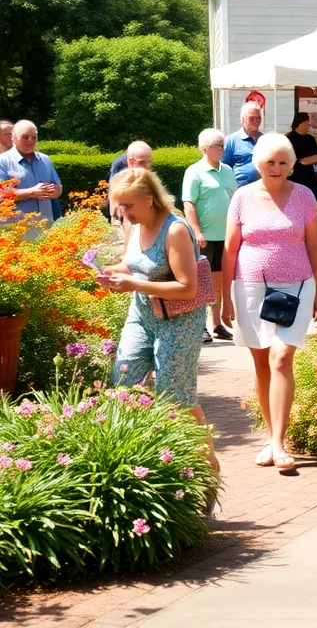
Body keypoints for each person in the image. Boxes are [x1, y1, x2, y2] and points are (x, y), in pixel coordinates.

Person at [100, 168, 218, 472]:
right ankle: (143, 458)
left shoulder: (175, 229)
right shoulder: (134, 224)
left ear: (150, 199)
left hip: (179, 321)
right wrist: (110, 272)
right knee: (123, 382)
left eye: (128, 205)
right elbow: (131, 264)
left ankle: (207, 465)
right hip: (141, 316)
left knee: (176, 396)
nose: (123, 212)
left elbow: (187, 286)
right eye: (119, 206)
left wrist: (135, 284)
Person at [221, 133, 317, 472]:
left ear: (292, 165)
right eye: (270, 162)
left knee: (282, 358)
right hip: (250, 288)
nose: (276, 168)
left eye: (283, 162)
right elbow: (230, 250)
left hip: (296, 286)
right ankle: (270, 438)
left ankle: (279, 444)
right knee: (263, 363)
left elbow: (314, 246)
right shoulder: (242, 197)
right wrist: (226, 298)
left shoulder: (305, 196)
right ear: (259, 164)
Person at [183, 129, 238, 344]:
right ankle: (200, 327)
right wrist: (196, 231)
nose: (222, 149)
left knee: (220, 281)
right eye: (218, 146)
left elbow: (236, 198)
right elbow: (188, 204)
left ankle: (217, 325)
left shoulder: (228, 170)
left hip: (227, 236)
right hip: (205, 237)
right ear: (205, 149)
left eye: (223, 145)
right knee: (202, 283)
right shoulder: (194, 172)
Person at [0, 120, 62, 233]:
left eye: (34, 137)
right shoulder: (3, 161)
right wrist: (32, 192)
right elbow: (1, 194)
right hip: (16, 231)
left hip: (47, 229)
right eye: (25, 137)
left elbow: (58, 187)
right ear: (13, 138)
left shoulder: (45, 159)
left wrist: (55, 191)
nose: (30, 141)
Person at [108, 141, 153, 229]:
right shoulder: (119, 165)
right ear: (131, 162)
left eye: (149, 162)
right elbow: (113, 188)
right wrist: (115, 215)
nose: (147, 166)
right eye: (142, 163)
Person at [222, 101, 264, 187]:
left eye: (258, 118)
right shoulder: (231, 141)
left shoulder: (265, 140)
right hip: (240, 190)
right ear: (242, 119)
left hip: (263, 191)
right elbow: (223, 169)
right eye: (252, 118)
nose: (256, 121)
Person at [285, 112, 317, 202]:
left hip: (310, 180)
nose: (309, 125)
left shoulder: (310, 139)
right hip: (293, 180)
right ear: (300, 123)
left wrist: (303, 161)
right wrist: (303, 161)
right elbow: (288, 159)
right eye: (307, 123)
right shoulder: (288, 138)